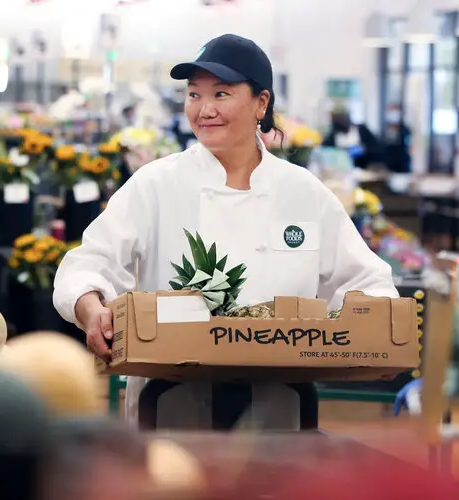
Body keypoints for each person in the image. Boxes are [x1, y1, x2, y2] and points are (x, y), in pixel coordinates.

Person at [53, 33, 399, 424]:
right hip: (168, 407)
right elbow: (88, 262)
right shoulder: (157, 184)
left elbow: (367, 280)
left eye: (220, 94)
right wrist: (91, 306)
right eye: (194, 94)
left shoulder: (302, 192)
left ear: (261, 103)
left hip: (277, 413)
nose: (203, 109)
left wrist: (377, 336)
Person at [383, 104, 412, 173]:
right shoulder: (386, 129)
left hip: (402, 163)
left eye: (395, 112)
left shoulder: (405, 130)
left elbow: (408, 146)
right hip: (389, 164)